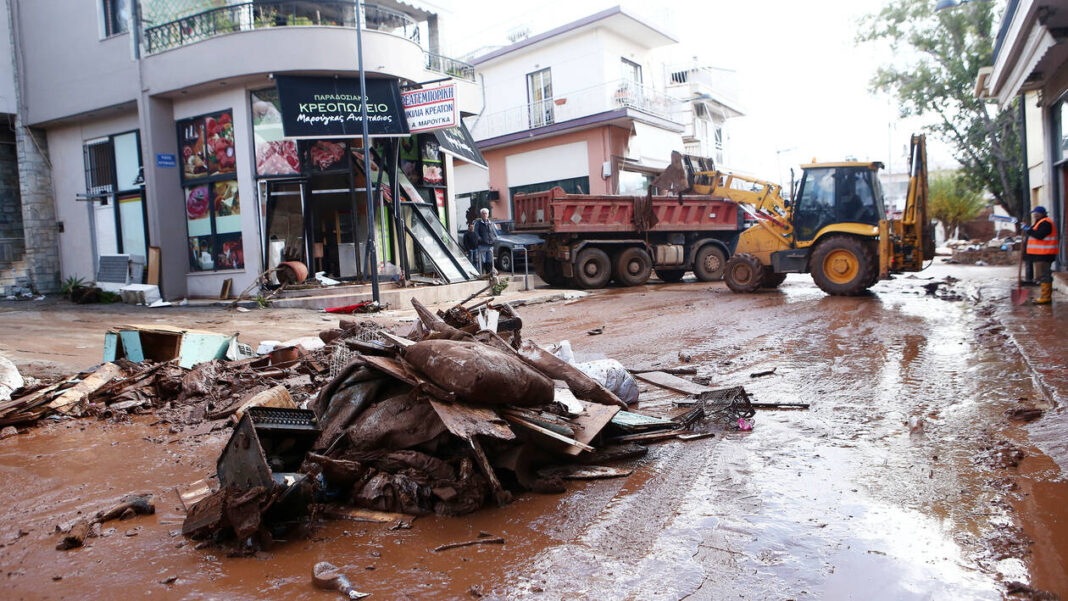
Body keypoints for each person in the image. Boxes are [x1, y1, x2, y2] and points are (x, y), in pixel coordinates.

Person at [1022, 206, 1057, 305]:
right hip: (1040, 254)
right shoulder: (1039, 222)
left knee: (1044, 275)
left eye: (1037, 213)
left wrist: (1028, 230)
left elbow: (1039, 235)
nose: (1035, 215)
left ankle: (1046, 297)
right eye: (1034, 213)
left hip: (1045, 254)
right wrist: (1028, 229)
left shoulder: (1046, 223)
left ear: (1042, 213)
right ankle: (1044, 296)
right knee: (1041, 275)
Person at [474, 208, 497, 274]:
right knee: (482, 261)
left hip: (490, 245)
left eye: (486, 213)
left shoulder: (491, 223)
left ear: (488, 214)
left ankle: (489, 274)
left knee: (489, 261)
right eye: (483, 213)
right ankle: (481, 274)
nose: (484, 215)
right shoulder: (478, 223)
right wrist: (479, 238)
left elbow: (494, 232)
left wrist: (494, 239)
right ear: (481, 215)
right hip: (482, 245)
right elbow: (476, 233)